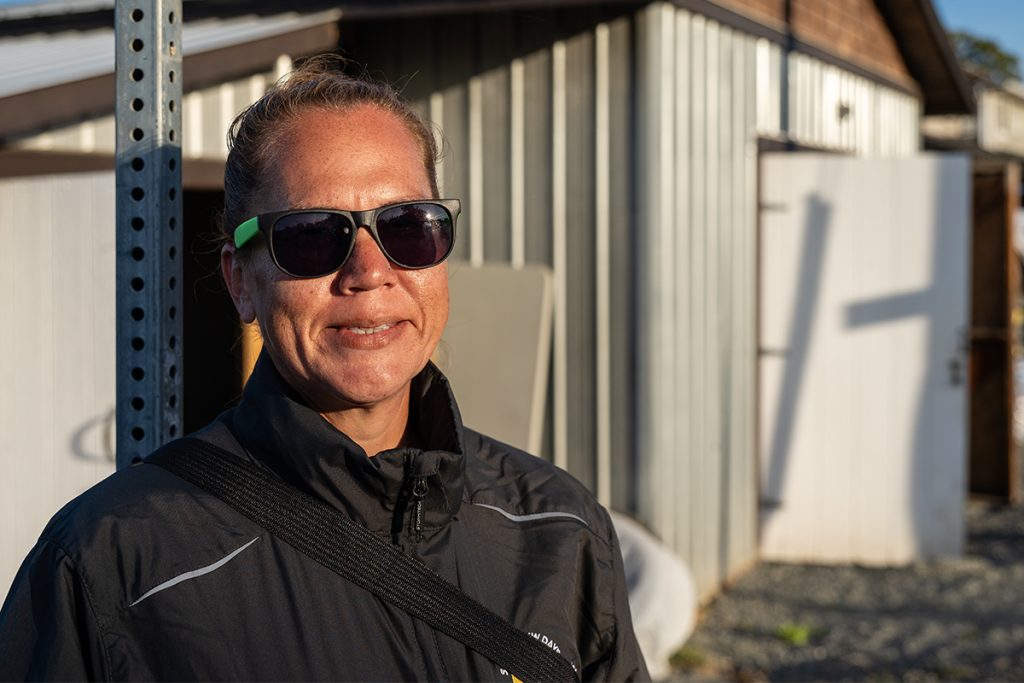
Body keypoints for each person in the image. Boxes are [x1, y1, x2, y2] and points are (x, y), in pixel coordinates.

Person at [0, 57, 649, 682]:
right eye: (312, 235)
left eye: (407, 227)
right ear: (242, 280)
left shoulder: (559, 530)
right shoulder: (108, 567)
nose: (370, 272)